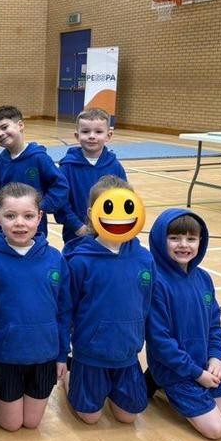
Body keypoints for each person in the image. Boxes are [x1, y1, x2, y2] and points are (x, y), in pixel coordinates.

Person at [145, 209, 221, 439]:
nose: (184, 245)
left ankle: (155, 379)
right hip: (177, 372)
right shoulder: (157, 283)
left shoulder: (204, 278)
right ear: (161, 240)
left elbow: (214, 324)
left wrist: (215, 358)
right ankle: (161, 382)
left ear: (201, 241)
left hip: (204, 366)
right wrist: (196, 374)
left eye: (191, 239)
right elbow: (160, 341)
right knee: (217, 431)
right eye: (174, 238)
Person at [61, 175, 154, 425]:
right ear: (93, 213)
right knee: (89, 418)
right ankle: (70, 377)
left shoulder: (144, 259)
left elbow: (146, 304)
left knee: (128, 417)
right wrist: (64, 349)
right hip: (90, 353)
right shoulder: (79, 260)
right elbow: (67, 308)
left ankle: (112, 388)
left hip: (126, 353)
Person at [0, 183, 71, 431]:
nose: (20, 223)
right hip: (6, 357)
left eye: (28, 216)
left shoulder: (55, 258)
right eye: (10, 216)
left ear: (40, 218)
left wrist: (62, 354)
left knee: (31, 423)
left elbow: (63, 311)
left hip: (44, 356)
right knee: (11, 424)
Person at [0, 105, 69, 238]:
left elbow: (60, 185)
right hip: (3, 231)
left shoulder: (39, 158)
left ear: (20, 125)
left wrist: (41, 206)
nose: (0, 134)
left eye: (4, 127)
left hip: (34, 230)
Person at [54, 108, 127, 243]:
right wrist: (77, 226)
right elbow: (61, 202)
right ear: (77, 135)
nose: (92, 136)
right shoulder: (67, 167)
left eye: (98, 132)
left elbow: (124, 198)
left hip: (108, 233)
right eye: (86, 131)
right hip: (76, 235)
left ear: (108, 136)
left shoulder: (115, 167)